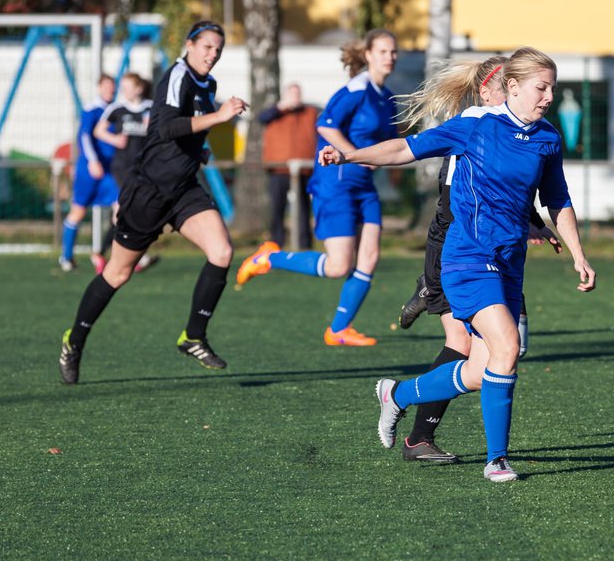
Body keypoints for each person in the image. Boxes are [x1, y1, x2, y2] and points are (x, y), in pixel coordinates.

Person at [319, 46, 597, 482]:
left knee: (483, 368)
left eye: (552, 89)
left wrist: (579, 254)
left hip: (509, 262)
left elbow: (557, 199)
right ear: (513, 86)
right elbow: (404, 150)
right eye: (541, 88)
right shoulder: (475, 125)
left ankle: (398, 393)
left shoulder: (547, 138)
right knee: (507, 347)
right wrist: (349, 155)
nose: (549, 97)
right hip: (467, 258)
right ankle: (497, 459)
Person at [58, 21, 248, 385]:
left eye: (218, 49)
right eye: (207, 46)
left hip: (183, 191)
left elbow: (186, 133)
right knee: (117, 273)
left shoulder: (208, 84)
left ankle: (193, 336)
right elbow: (165, 128)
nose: (213, 54)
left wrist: (200, 149)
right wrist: (219, 117)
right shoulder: (177, 75)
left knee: (222, 251)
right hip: (148, 192)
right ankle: (74, 341)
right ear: (189, 45)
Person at [392, 56, 560, 464]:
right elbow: (456, 201)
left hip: (490, 250)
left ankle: (399, 400)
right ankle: (420, 439)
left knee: (495, 355)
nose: (536, 98)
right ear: (489, 91)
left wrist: (534, 221)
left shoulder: (522, 130)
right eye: (509, 86)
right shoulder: (475, 123)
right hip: (456, 243)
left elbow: (514, 189)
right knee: (466, 343)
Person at [236, 29, 399, 348]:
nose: (389, 57)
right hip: (335, 182)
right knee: (339, 266)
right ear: (368, 54)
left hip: (364, 185)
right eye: (383, 51)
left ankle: (338, 329)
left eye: (393, 52)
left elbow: (389, 139)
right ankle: (270, 258)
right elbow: (324, 124)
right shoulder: (357, 88)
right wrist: (351, 154)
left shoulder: (386, 98)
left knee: (370, 256)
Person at [92, 72, 159, 273]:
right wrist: (114, 139)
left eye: (128, 87)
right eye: (123, 87)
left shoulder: (150, 108)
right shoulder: (117, 109)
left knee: (132, 212)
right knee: (123, 209)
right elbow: (98, 131)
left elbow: (163, 133)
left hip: (144, 168)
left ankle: (114, 254)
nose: (124, 91)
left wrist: (153, 128)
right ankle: (110, 253)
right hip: (122, 168)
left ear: (139, 88)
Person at [59, 74, 117, 274]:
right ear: (99, 88)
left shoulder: (116, 110)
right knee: (78, 211)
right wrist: (93, 160)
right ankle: (66, 256)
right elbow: (84, 137)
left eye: (113, 86)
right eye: (107, 86)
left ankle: (112, 254)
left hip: (110, 171)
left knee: (122, 209)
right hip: (90, 172)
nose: (110, 90)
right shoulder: (91, 110)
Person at [255, 83, 318, 249]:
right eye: (292, 94)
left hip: (304, 168)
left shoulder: (309, 113)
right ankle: (276, 244)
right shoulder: (275, 113)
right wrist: (280, 107)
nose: (295, 98)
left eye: (298, 94)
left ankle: (305, 245)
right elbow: (261, 118)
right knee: (277, 208)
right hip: (279, 168)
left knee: (304, 209)